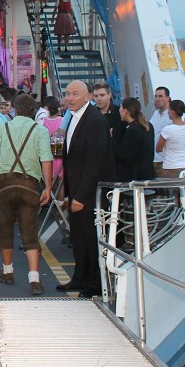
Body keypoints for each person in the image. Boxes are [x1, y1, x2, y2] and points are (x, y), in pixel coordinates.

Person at [0, 94, 53, 295]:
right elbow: (46, 161)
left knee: (5, 229)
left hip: (4, 184)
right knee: (30, 232)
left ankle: (7, 271)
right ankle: (34, 278)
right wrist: (47, 188)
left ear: (14, 109)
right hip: (30, 185)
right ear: (33, 111)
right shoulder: (40, 130)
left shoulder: (2, 128)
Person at [56, 80, 114, 298]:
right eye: (68, 93)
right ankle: (79, 278)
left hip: (89, 194)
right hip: (77, 190)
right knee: (78, 237)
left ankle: (93, 284)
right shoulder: (74, 118)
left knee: (90, 238)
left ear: (88, 96)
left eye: (75, 94)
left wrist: (81, 195)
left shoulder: (94, 120)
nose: (70, 98)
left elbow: (95, 161)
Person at [113, 97, 154, 182]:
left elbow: (124, 155)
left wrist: (112, 139)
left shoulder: (133, 130)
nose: (119, 110)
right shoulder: (148, 126)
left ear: (125, 111)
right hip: (148, 173)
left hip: (136, 177)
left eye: (121, 107)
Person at [156, 99, 185, 177]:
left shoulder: (167, 130)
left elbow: (158, 148)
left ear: (172, 112)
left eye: (169, 110)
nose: (168, 112)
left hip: (170, 167)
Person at [148, 87, 172, 178]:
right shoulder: (155, 114)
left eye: (161, 96)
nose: (157, 99)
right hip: (153, 158)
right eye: (156, 96)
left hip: (165, 160)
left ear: (167, 98)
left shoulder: (171, 116)